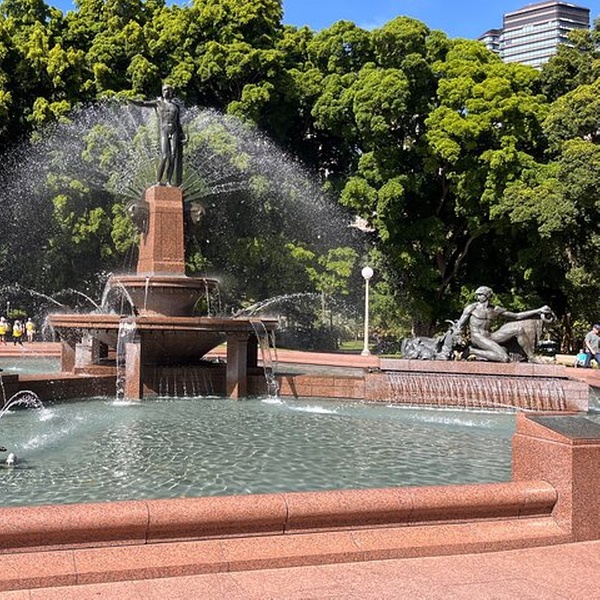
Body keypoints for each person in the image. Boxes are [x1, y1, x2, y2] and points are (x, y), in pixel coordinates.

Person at [455, 286, 552, 363]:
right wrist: (458, 337)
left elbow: (516, 316)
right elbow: (460, 326)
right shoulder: (471, 308)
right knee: (504, 358)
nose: (478, 297)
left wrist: (538, 310)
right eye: (478, 295)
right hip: (477, 337)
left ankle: (531, 357)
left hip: (490, 336)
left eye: (480, 294)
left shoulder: (495, 309)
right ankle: (471, 351)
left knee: (518, 330)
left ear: (487, 296)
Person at [130, 83, 186, 186]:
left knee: (173, 156)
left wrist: (183, 135)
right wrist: (131, 101)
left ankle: (168, 181)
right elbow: (143, 103)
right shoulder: (158, 103)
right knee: (164, 155)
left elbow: (178, 123)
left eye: (168, 90)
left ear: (171, 92)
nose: (166, 92)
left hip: (174, 131)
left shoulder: (176, 107)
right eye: (164, 90)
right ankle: (158, 181)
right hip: (164, 130)